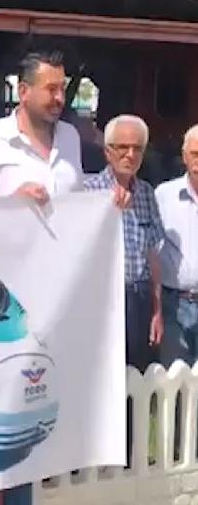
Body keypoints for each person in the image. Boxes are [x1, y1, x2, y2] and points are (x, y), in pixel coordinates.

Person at [83, 114, 163, 371]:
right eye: (122, 147)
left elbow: (153, 256)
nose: (130, 155)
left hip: (139, 298)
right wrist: (109, 211)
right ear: (108, 152)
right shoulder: (88, 191)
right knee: (103, 371)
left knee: (137, 374)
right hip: (103, 298)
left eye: (137, 148)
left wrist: (157, 311)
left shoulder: (147, 193)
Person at [0, 51, 84, 208]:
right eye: (51, 89)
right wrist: (14, 202)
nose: (60, 98)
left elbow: (80, 203)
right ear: (23, 92)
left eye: (62, 89)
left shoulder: (70, 136)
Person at [156, 124, 198, 367]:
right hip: (173, 306)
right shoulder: (164, 195)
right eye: (195, 154)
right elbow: (151, 249)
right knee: (173, 380)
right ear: (184, 157)